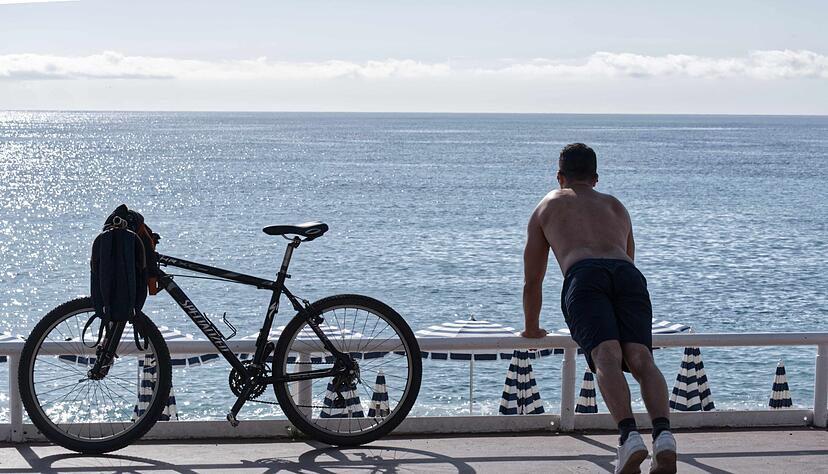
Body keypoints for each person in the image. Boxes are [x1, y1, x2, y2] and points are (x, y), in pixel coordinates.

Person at [520, 143, 677, 474]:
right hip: (628, 275)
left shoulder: (547, 205)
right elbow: (628, 260)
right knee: (641, 359)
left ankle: (628, 437)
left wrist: (531, 327)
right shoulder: (616, 206)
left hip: (584, 273)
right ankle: (663, 436)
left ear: (560, 176)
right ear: (595, 177)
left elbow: (533, 280)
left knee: (605, 356)